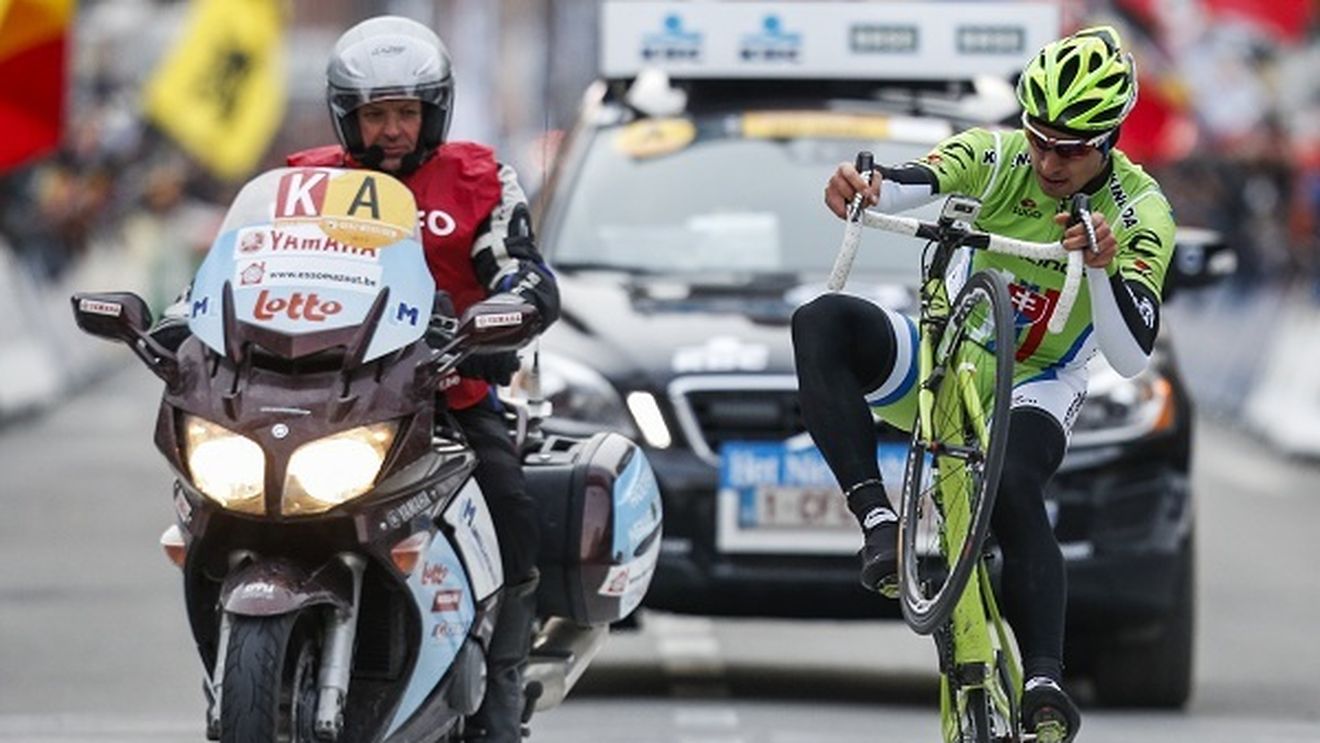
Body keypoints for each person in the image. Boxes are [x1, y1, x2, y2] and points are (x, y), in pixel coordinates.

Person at [792, 26, 1173, 742]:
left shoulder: (1140, 210)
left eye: (1071, 149)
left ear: (1110, 139)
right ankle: (878, 523)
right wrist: (864, 187)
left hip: (1041, 380)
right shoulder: (998, 157)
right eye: (1040, 139)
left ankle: (1045, 678)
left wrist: (1100, 268)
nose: (1049, 162)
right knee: (821, 322)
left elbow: (1128, 356)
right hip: (949, 357)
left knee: (1014, 484)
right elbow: (907, 182)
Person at [286, 16, 560, 742]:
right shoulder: (304, 184)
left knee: (513, 514)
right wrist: (183, 321)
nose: (392, 130)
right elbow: (232, 274)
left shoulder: (480, 178)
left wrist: (505, 315)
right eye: (375, 114)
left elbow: (524, 273)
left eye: (406, 112)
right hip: (321, 405)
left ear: (433, 111)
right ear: (346, 116)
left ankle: (499, 699)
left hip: (444, 399)